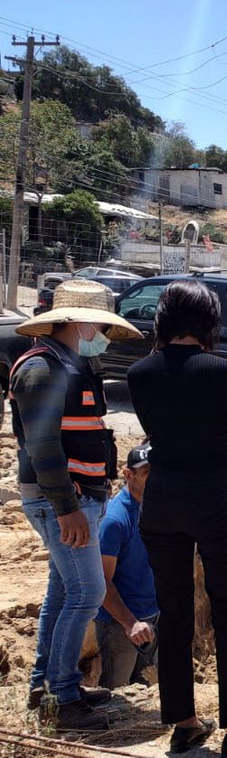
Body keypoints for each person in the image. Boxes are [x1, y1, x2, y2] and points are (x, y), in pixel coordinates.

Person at [125, 280, 227, 758]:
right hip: (214, 498)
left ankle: (185, 722)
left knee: (173, 613)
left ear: (164, 319)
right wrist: (222, 434)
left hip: (163, 500)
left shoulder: (139, 372)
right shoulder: (226, 369)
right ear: (208, 321)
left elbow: (161, 435)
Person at [9, 280, 142, 730]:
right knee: (88, 592)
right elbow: (43, 448)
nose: (102, 335)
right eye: (99, 326)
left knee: (64, 591)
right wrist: (67, 508)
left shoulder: (71, 364)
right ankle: (62, 698)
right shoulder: (41, 370)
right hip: (62, 500)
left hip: (77, 497)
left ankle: (46, 683)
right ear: (79, 322)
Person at [96, 443, 159, 689]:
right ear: (128, 474)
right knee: (117, 696)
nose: (154, 478)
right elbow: (101, 581)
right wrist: (130, 623)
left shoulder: (157, 506)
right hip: (119, 625)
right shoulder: (115, 520)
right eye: (146, 472)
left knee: (146, 693)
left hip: (152, 616)